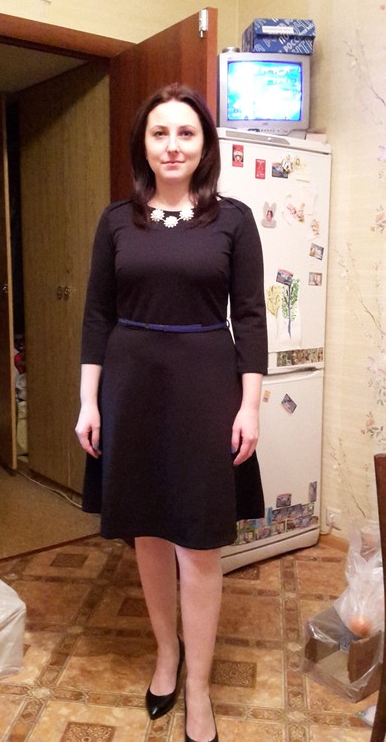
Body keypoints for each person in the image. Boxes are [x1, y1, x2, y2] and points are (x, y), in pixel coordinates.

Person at [75, 83, 268, 742]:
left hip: (206, 388)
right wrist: (88, 400)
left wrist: (249, 406)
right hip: (129, 389)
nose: (172, 145)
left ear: (205, 145)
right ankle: (166, 654)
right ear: (144, 144)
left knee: (199, 541)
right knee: (149, 534)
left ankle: (200, 688)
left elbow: (250, 317)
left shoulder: (234, 220)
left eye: (186, 133)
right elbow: (96, 315)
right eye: (160, 133)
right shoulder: (115, 221)